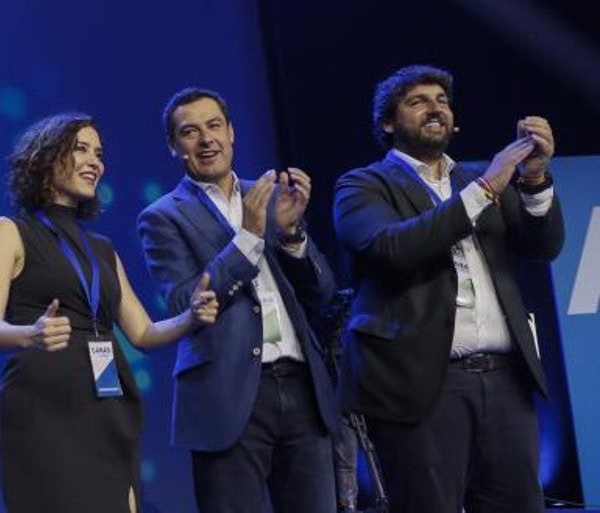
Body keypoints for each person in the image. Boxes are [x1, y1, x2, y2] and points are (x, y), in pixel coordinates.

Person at [333, 65, 564, 513]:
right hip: (421, 387)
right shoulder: (362, 185)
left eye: (441, 100)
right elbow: (394, 248)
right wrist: (487, 187)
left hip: (504, 382)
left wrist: (534, 180)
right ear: (388, 122)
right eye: (417, 101)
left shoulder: (478, 178)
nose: (434, 107)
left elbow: (543, 245)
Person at [0, 112, 218, 513]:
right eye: (81, 149)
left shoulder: (102, 249)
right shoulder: (9, 231)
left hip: (107, 405)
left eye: (99, 153)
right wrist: (28, 335)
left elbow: (142, 333)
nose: (94, 162)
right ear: (45, 156)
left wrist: (189, 317)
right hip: (43, 411)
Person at [138, 87, 338, 513]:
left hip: (302, 386)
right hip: (225, 394)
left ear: (231, 132)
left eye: (214, 126)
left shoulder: (269, 195)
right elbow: (181, 301)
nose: (206, 139)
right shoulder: (162, 216)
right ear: (174, 147)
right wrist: (248, 236)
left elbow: (321, 292)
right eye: (190, 132)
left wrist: (292, 235)